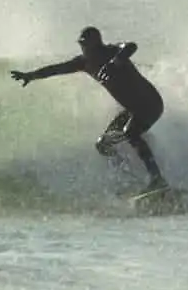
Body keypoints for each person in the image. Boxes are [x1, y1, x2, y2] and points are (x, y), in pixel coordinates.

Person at [10, 26, 169, 192]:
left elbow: (131, 46)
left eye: (87, 45)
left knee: (130, 132)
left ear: (97, 44)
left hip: (150, 103)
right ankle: (131, 180)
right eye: (81, 45)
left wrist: (116, 62)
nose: (84, 48)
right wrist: (30, 76)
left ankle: (157, 179)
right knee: (103, 145)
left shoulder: (112, 52)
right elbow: (56, 69)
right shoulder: (84, 62)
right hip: (132, 110)